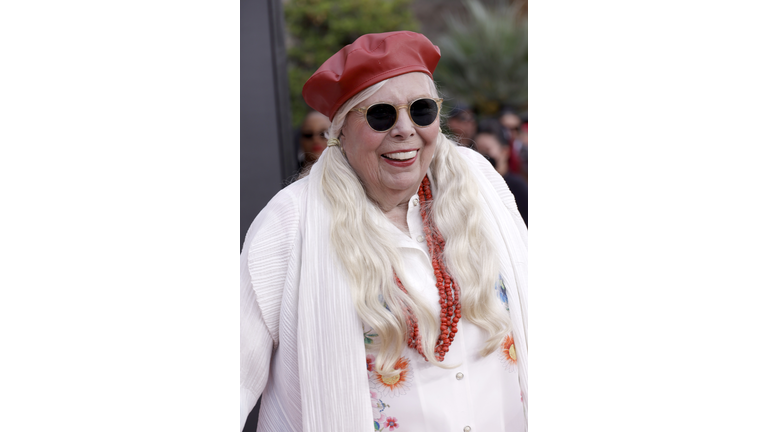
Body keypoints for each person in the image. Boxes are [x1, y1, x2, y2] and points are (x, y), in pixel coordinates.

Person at [241, 31, 528, 432]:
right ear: (341, 131)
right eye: (381, 114)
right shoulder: (289, 222)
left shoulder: (479, 181)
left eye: (422, 110)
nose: (405, 129)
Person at [473, 118, 528, 226]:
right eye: (477, 151)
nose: (481, 156)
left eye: (486, 150)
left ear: (504, 151)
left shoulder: (517, 186)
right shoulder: (475, 184)